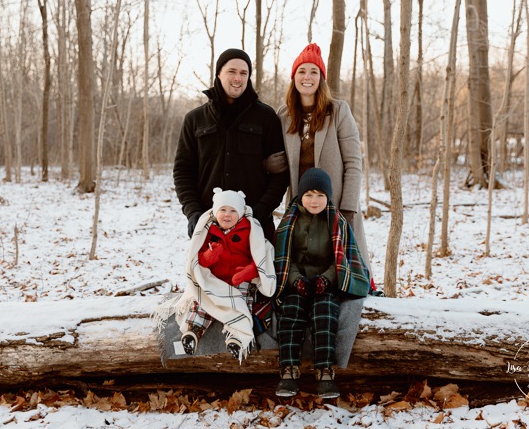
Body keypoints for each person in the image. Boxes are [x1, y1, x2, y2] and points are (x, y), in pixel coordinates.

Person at [173, 48, 289, 242]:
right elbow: (183, 171)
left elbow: (281, 173)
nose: (238, 78)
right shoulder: (195, 119)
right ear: (219, 74)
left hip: (256, 228)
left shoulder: (266, 117)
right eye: (232, 72)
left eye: (244, 73)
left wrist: (260, 212)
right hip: (209, 225)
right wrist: (193, 213)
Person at [273, 168, 370, 398]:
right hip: (297, 282)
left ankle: (325, 370)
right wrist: (295, 280)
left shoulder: (337, 221)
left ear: (328, 197)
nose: (314, 200)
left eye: (320, 195)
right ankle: (289, 370)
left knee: (324, 313)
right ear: (300, 196)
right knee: (291, 312)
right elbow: (285, 257)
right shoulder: (289, 221)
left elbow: (342, 258)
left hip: (326, 282)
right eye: (308, 195)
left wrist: (327, 279)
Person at [274, 42, 371, 268]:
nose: (307, 77)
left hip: (334, 203)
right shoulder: (283, 115)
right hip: (300, 205)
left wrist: (347, 209)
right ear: (294, 77)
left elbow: (354, 163)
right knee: (303, 268)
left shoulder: (338, 111)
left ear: (321, 78)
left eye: (314, 71)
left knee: (340, 269)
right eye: (302, 71)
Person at [156, 188, 277, 361]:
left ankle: (237, 337)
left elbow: (260, 257)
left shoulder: (250, 231)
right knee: (203, 303)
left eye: (233, 211)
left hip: (239, 280)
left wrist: (247, 272)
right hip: (215, 279)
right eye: (223, 210)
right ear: (215, 211)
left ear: (241, 213)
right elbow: (197, 260)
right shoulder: (207, 230)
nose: (227, 215)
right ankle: (192, 332)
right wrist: (210, 256)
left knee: (241, 304)